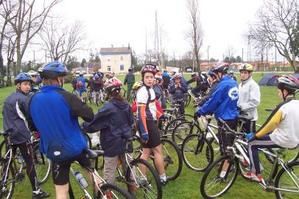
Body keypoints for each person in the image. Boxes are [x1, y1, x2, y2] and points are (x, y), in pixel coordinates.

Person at [29, 61, 94, 199]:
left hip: (54, 150)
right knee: (92, 174)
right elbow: (89, 115)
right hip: (76, 146)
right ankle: (104, 193)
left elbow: (33, 126)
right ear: (58, 79)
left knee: (61, 192)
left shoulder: (33, 99)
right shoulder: (67, 96)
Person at [2, 72, 49, 199]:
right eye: (25, 84)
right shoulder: (24, 99)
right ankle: (36, 191)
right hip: (22, 134)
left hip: (8, 132)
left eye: (29, 84)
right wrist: (38, 129)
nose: (28, 87)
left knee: (8, 161)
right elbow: (31, 117)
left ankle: (4, 183)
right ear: (18, 85)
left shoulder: (9, 98)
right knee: (30, 162)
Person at [83, 77, 134, 191]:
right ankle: (132, 191)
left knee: (110, 170)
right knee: (129, 168)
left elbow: (95, 122)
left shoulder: (108, 107)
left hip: (112, 143)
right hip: (126, 139)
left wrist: (83, 127)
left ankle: (108, 193)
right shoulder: (126, 104)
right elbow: (131, 122)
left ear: (108, 92)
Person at [245, 75, 299, 183]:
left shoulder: (283, 107)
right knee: (268, 136)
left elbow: (270, 124)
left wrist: (255, 135)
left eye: (279, 91)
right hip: (295, 140)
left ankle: (255, 173)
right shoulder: (297, 104)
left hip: (283, 139)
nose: (278, 93)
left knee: (252, 143)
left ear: (285, 91)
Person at [195, 62, 239, 154]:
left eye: (215, 74)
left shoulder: (223, 85)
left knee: (225, 148)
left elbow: (213, 101)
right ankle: (230, 164)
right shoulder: (234, 82)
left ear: (220, 73)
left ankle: (226, 167)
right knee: (231, 144)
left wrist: (201, 111)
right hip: (234, 116)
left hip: (224, 118)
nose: (214, 77)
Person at [136, 64, 167, 185]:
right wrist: (144, 131)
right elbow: (141, 113)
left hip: (149, 122)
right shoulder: (143, 91)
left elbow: (153, 106)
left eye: (151, 77)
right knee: (158, 151)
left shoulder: (151, 90)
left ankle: (143, 179)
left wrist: (160, 114)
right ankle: (162, 177)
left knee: (146, 152)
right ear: (143, 78)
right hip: (147, 123)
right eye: (147, 77)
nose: (150, 79)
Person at [237, 63, 260, 133]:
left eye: (245, 73)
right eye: (241, 72)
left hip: (249, 118)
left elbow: (255, 102)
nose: (243, 75)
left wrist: (241, 107)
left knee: (249, 141)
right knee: (240, 139)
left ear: (250, 74)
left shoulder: (253, 85)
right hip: (240, 116)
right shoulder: (240, 85)